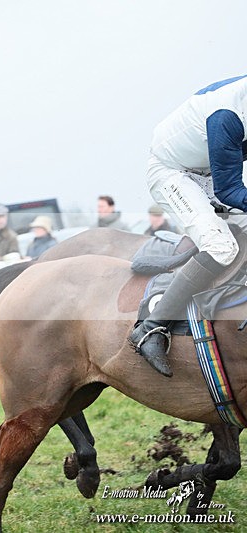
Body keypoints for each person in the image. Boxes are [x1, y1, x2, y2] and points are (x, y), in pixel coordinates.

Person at [129, 75, 247, 377]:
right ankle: (151, 328)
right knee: (221, 247)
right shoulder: (228, 117)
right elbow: (229, 191)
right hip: (173, 172)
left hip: (209, 168)